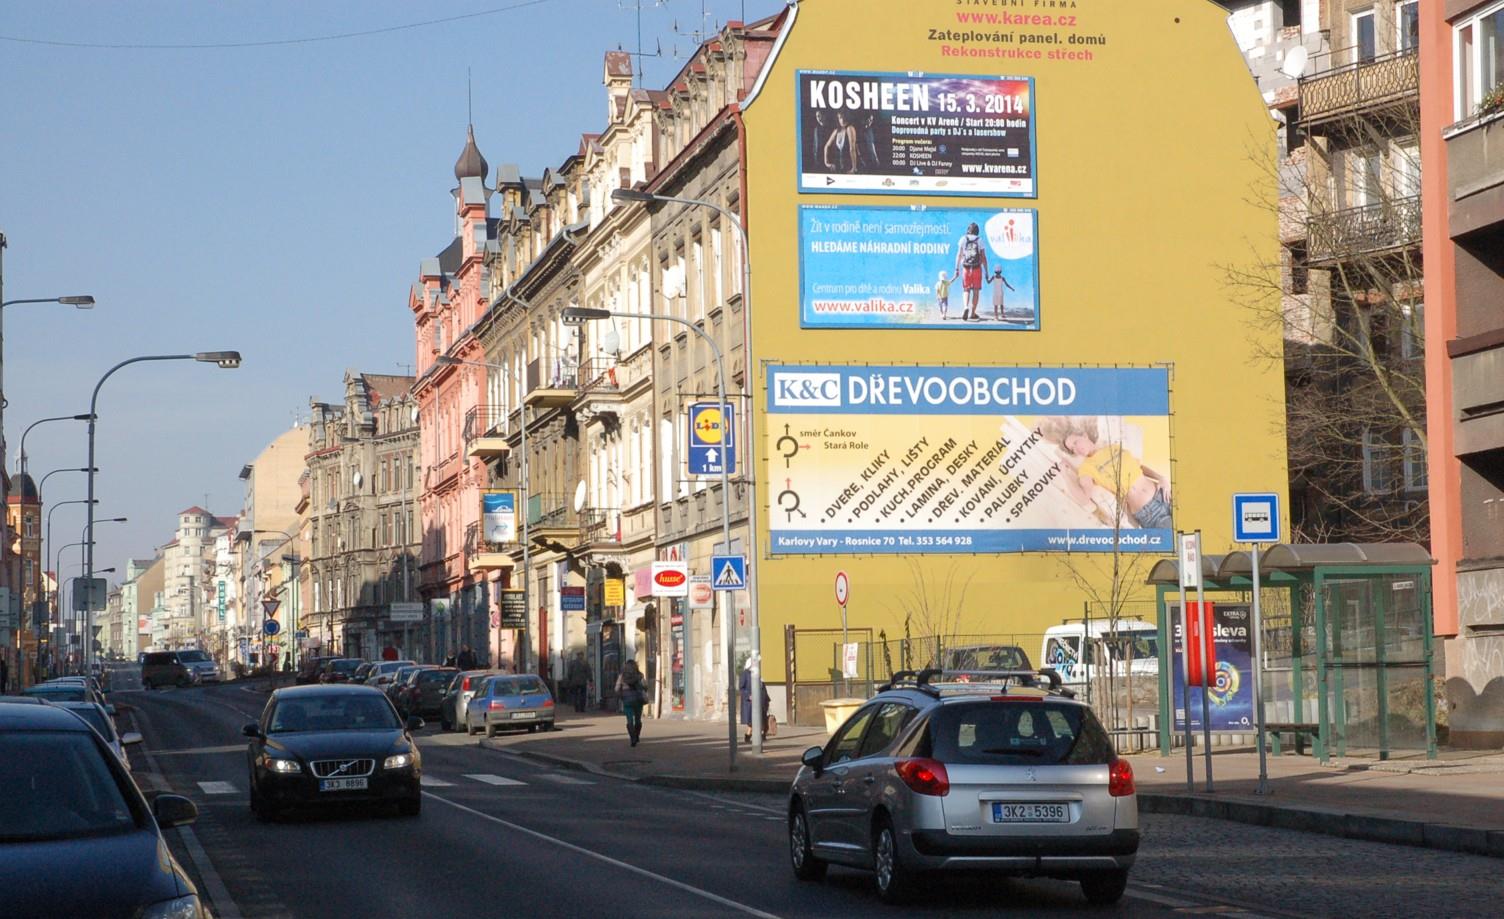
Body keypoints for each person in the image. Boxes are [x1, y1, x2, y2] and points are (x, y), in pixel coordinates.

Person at [953, 222, 989, 321]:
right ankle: (973, 313)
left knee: (966, 290)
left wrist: (956, 269)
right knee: (976, 291)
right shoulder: (980, 240)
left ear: (968, 230)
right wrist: (986, 272)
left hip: (966, 268)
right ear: (977, 231)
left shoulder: (963, 239)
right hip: (977, 268)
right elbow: (983, 257)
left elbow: (959, 255)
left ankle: (965, 307)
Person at [739, 659, 771, 744]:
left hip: (761, 700)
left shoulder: (757, 673)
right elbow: (741, 688)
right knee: (752, 720)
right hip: (750, 702)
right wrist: (748, 695)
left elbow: (762, 687)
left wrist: (767, 699)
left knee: (761, 719)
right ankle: (749, 736)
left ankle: (759, 735)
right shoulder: (745, 674)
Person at [615, 659, 646, 746]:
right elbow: (645, 685)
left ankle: (633, 738)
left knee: (629, 720)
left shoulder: (622, 676)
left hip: (627, 700)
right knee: (638, 719)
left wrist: (621, 696)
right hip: (638, 699)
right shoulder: (639, 675)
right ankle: (637, 735)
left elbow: (616, 689)